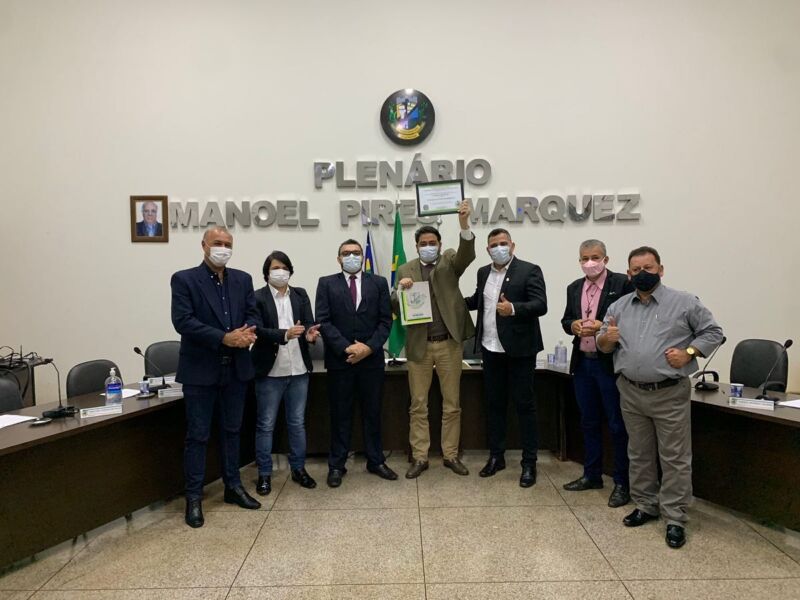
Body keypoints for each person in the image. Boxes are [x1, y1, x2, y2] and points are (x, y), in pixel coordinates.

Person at [597, 246, 723, 549]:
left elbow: (713, 332)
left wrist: (689, 352)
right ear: (628, 274)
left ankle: (675, 517)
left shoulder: (684, 302)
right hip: (631, 391)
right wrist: (605, 339)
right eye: (636, 270)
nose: (642, 274)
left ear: (661, 269)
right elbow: (603, 345)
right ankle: (646, 505)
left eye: (648, 268)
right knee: (639, 453)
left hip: (669, 393)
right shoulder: (619, 306)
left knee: (674, 457)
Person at [171, 226, 262, 528]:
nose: (223, 248)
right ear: (204, 246)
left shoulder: (243, 279)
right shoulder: (185, 279)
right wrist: (224, 337)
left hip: (236, 369)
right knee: (198, 435)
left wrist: (246, 333)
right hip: (201, 370)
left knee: (232, 431)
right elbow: (183, 321)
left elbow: (253, 314)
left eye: (227, 244)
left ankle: (233, 486)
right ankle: (194, 497)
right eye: (217, 243)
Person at [392, 201, 475, 478]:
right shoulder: (405, 269)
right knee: (418, 405)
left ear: (439, 245)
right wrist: (399, 291)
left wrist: (463, 224)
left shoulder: (449, 261)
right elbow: (395, 307)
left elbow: (466, 256)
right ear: (416, 247)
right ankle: (420, 457)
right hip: (419, 346)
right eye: (423, 243)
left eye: (432, 243)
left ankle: (450, 455)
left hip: (449, 344)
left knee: (452, 404)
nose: (428, 246)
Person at [465, 228, 547, 487]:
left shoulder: (529, 270)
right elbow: (477, 300)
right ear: (487, 249)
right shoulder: (483, 272)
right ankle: (496, 457)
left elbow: (541, 304)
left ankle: (529, 463)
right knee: (495, 405)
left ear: (512, 245)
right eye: (494, 245)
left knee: (524, 406)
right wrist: (445, 301)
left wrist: (513, 308)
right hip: (490, 349)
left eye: (503, 243)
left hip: (520, 350)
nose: (499, 248)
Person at [315, 239, 397, 488]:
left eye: (356, 253)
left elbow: (385, 321)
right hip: (340, 362)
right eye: (346, 253)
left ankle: (376, 460)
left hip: (371, 362)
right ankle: (337, 465)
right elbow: (323, 321)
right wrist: (346, 347)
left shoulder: (378, 283)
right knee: (340, 415)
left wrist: (368, 348)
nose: (351, 256)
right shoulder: (326, 283)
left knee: (373, 413)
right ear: (338, 258)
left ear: (362, 257)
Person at [560, 239, 634, 507]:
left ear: (606, 259)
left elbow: (633, 320)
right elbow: (566, 319)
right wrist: (573, 326)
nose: (589, 263)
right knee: (588, 421)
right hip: (583, 363)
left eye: (595, 257)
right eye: (584, 258)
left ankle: (622, 482)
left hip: (609, 365)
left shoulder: (621, 284)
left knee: (617, 425)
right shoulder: (574, 287)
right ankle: (591, 475)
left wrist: (604, 326)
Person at [250, 251, 321, 496]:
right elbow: (256, 330)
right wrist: (284, 334)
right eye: (275, 268)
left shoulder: (300, 294)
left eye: (284, 267)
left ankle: (298, 469)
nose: (280, 272)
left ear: (290, 270)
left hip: (299, 369)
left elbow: (309, 323)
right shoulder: (257, 297)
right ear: (267, 273)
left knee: (297, 423)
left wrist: (310, 334)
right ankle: (264, 474)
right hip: (270, 371)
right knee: (266, 424)